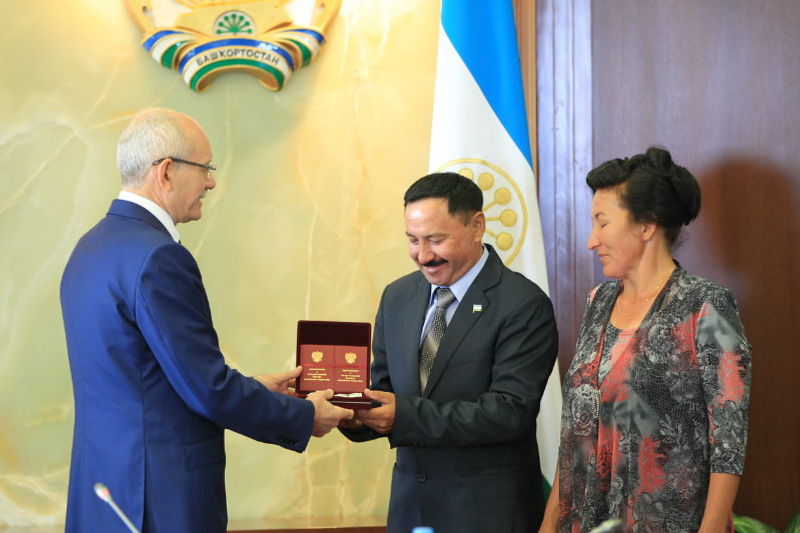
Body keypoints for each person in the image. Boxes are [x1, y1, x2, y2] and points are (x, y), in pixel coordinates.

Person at [60, 108, 353, 533]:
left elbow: (146, 380)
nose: (211, 182)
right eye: (206, 168)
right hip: (159, 499)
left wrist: (254, 389)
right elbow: (208, 390)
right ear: (166, 172)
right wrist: (304, 417)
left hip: (105, 491)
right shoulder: (159, 257)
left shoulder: (89, 248)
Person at [539, 147, 752, 533]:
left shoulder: (706, 306)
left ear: (646, 225)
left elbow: (729, 439)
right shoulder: (598, 301)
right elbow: (575, 433)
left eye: (602, 223)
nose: (591, 240)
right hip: (584, 520)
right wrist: (549, 522)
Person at [340, 172, 559, 533]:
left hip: (487, 514)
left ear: (477, 226)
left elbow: (509, 412)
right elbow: (386, 390)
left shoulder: (522, 303)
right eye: (413, 240)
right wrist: (355, 415)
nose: (423, 255)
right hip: (411, 510)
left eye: (436, 239)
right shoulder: (397, 296)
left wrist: (402, 415)